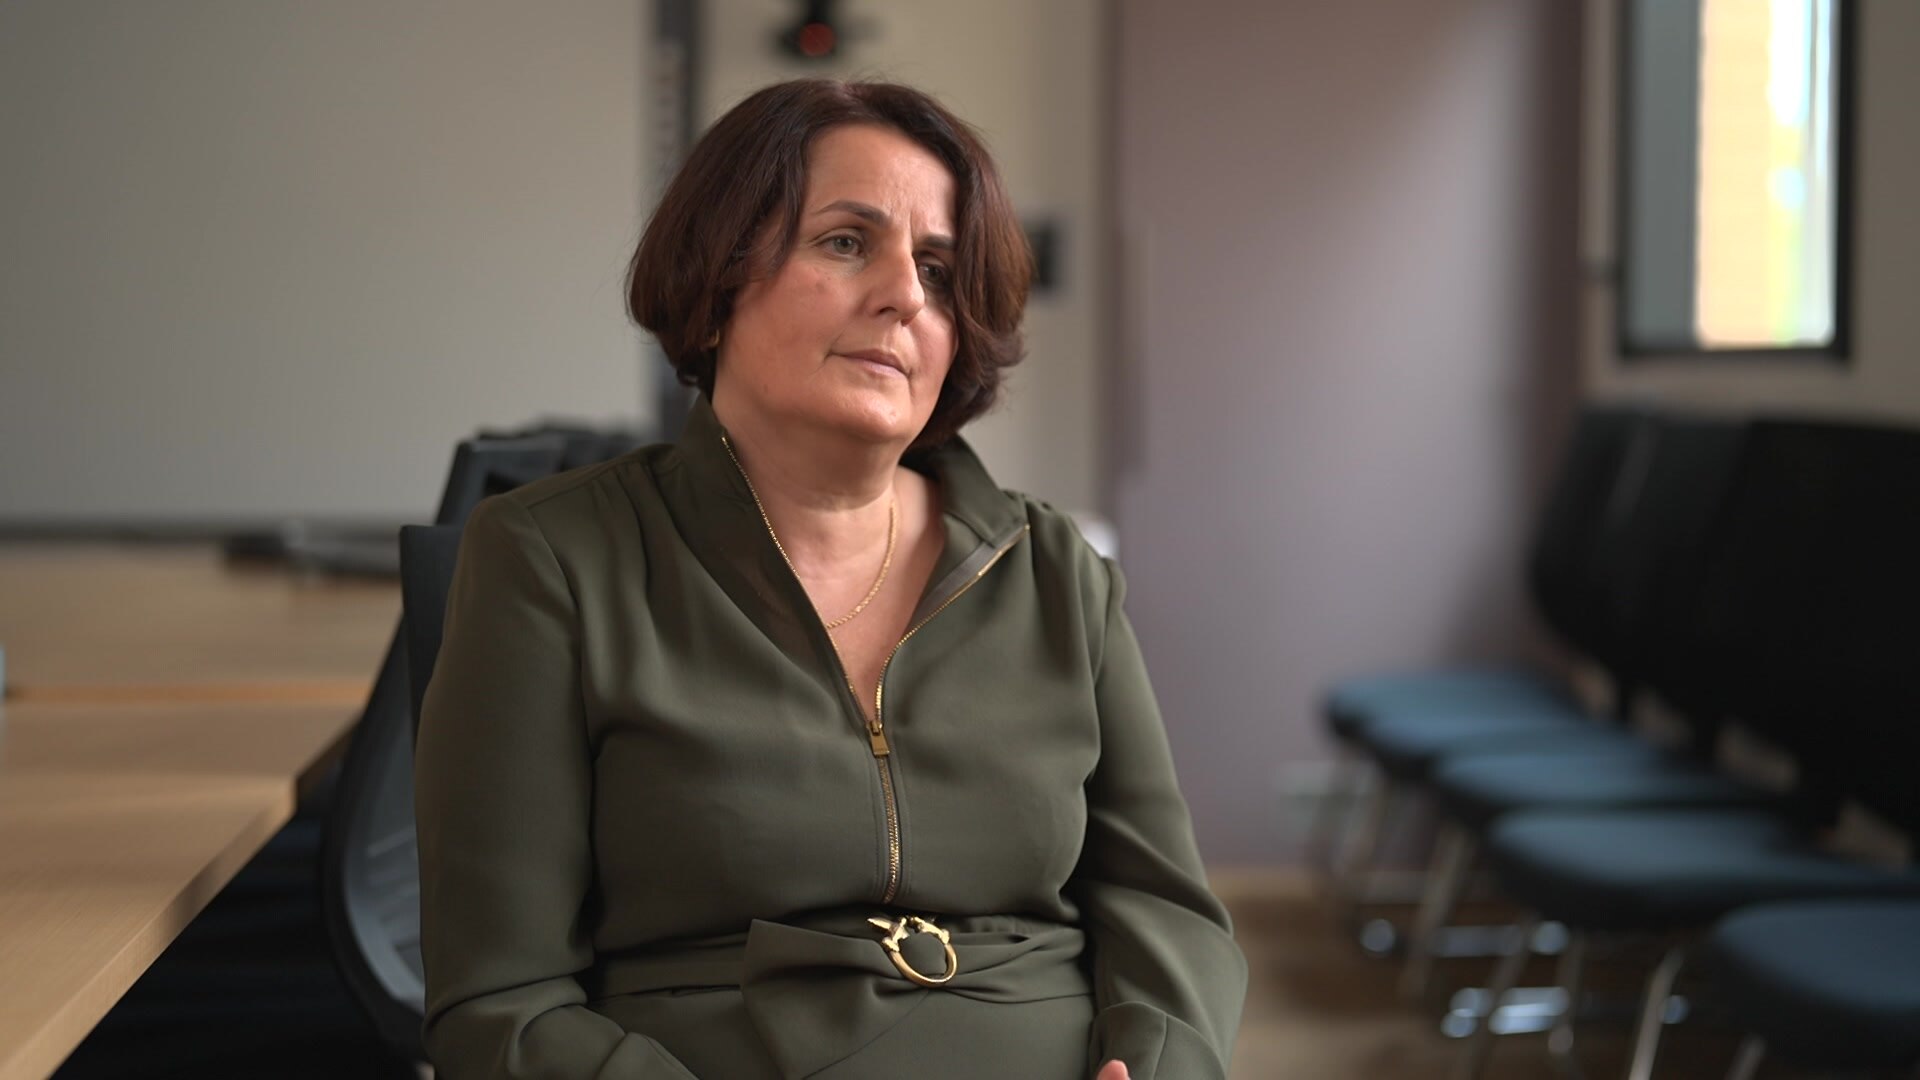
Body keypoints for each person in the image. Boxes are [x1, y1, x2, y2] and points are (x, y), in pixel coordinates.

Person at [413, 78, 1246, 1080]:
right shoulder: (554, 557)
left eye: (939, 270)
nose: (904, 294)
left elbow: (1166, 912)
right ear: (717, 279)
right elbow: (500, 1002)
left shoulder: (1055, 570)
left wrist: (1160, 1065)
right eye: (847, 242)